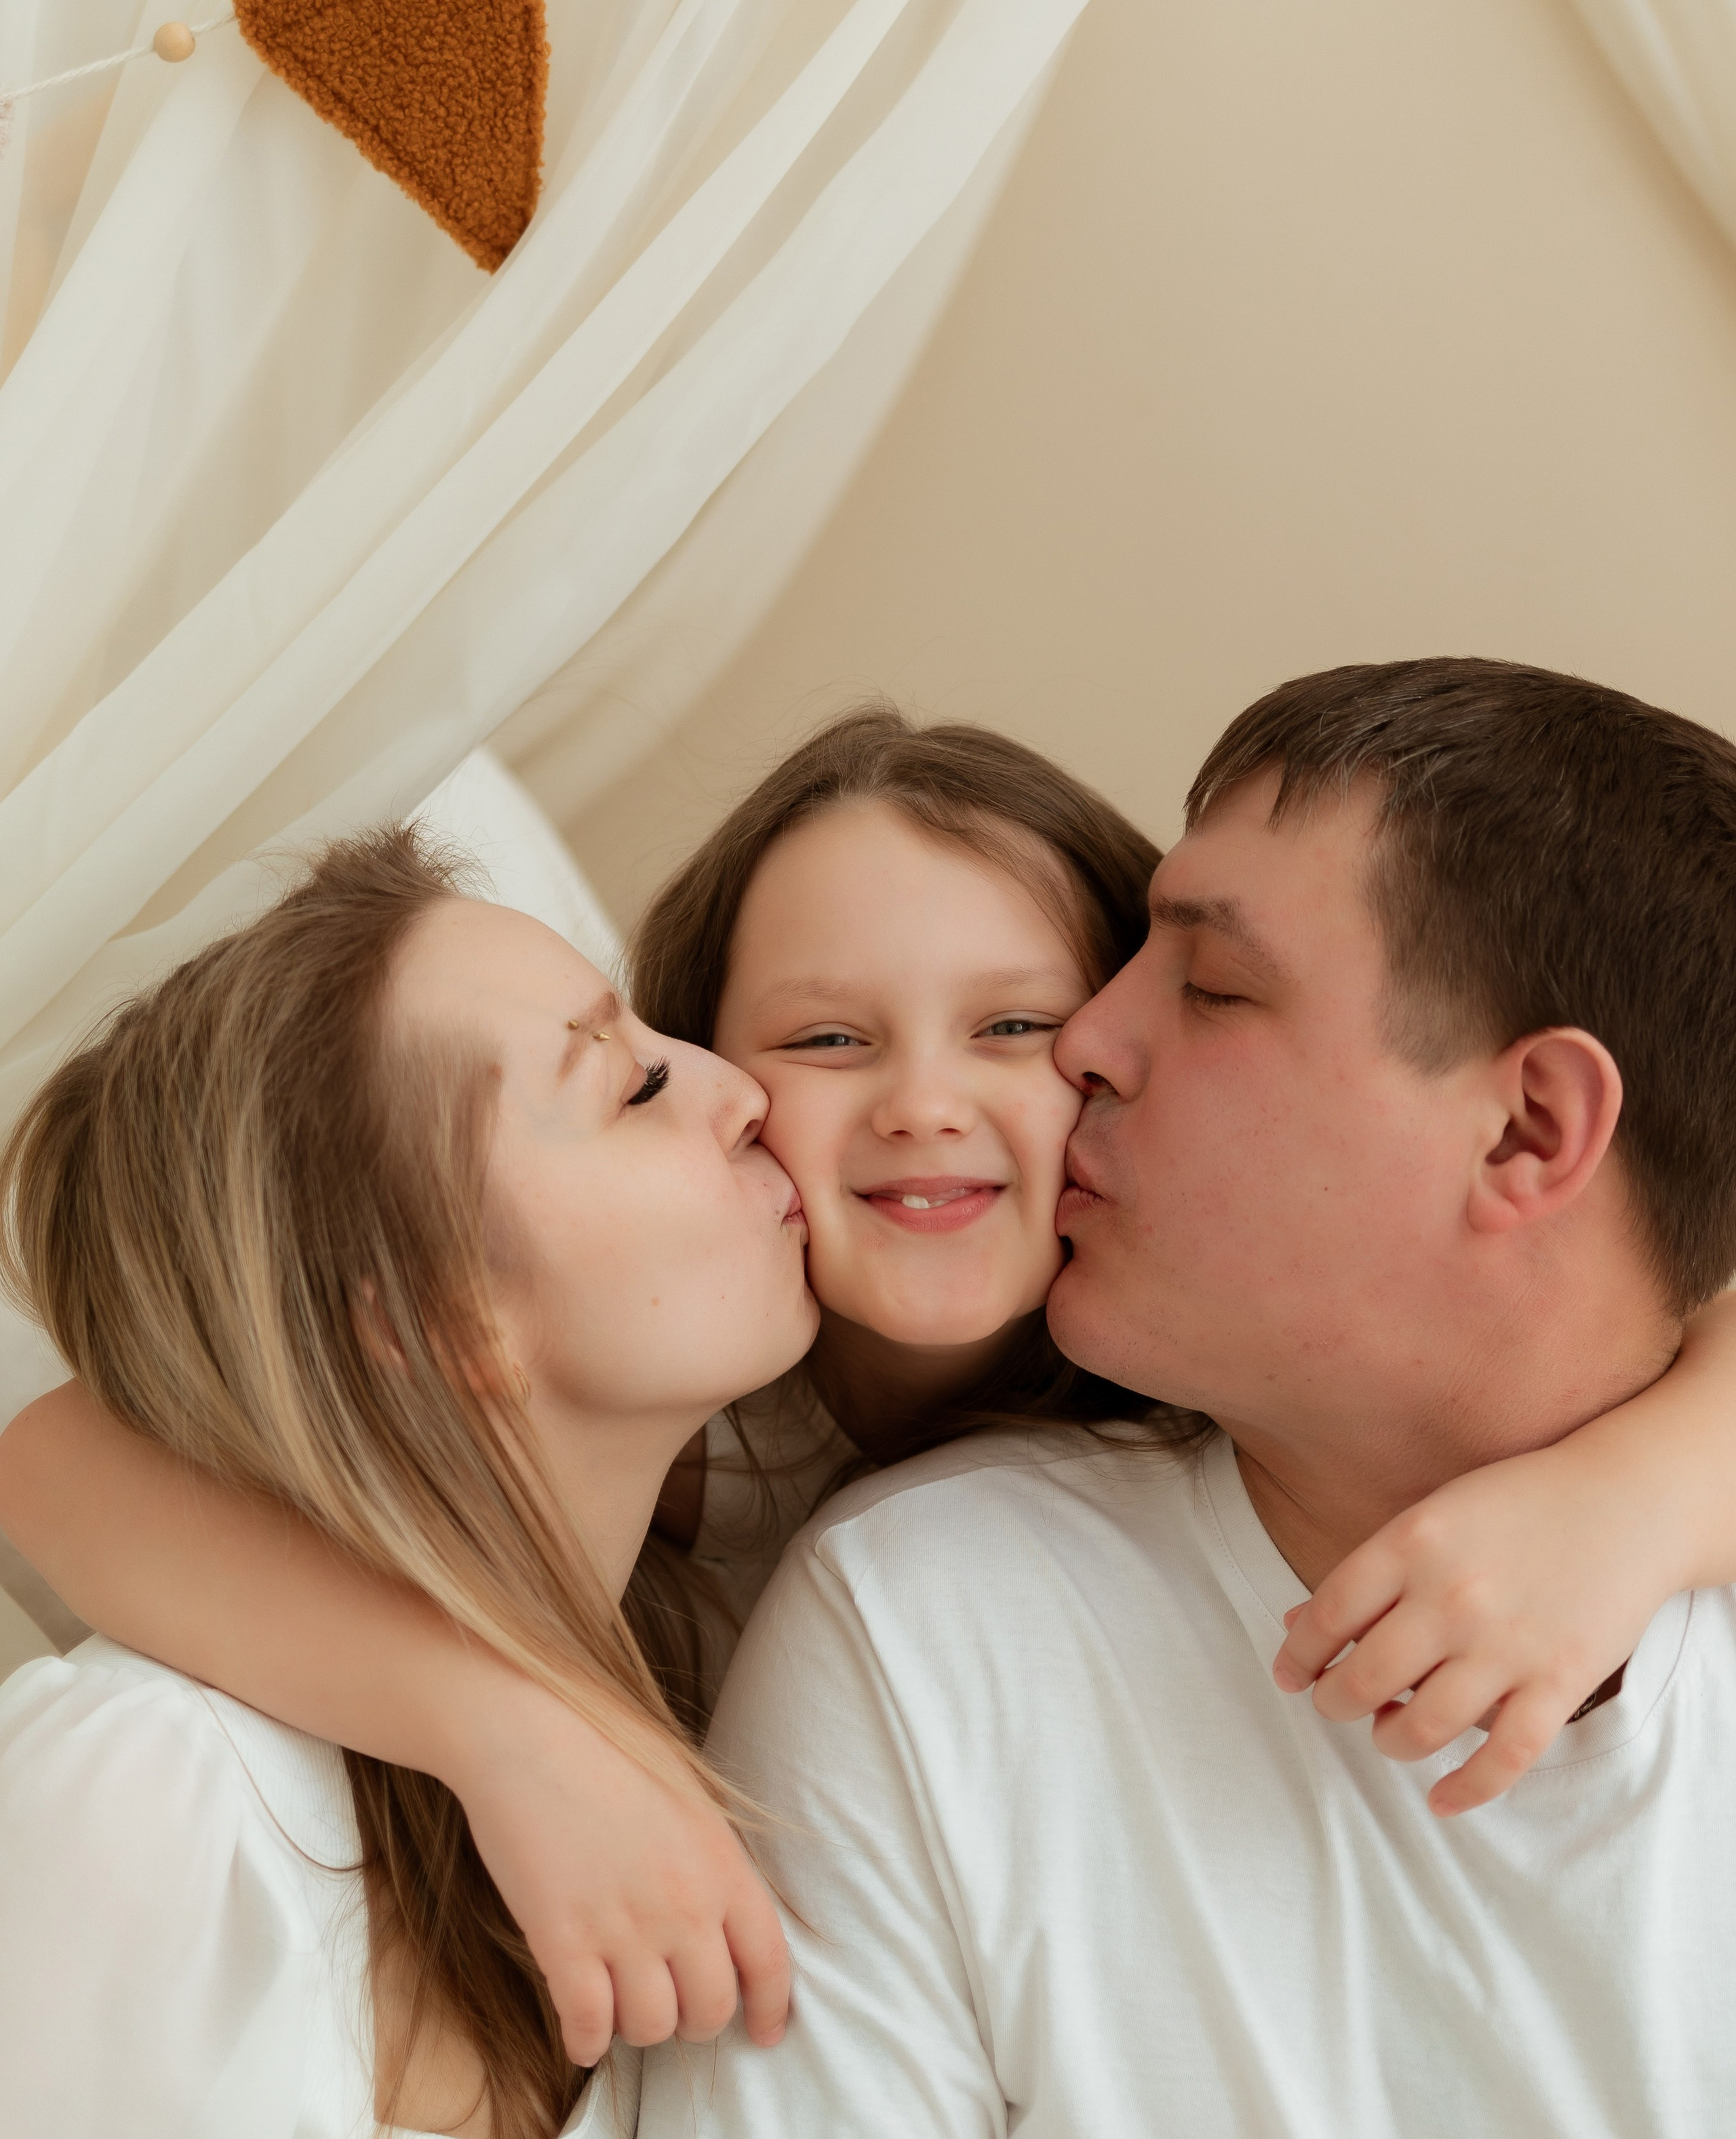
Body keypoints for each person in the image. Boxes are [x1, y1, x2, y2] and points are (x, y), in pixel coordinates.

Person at [5, 712, 1736, 2070]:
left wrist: (1638, 1492)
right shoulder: (682, 1439)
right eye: (824, 1041)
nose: (918, 1102)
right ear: (711, 1078)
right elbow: (45, 1460)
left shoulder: (1248, 1394)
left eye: (1014, 1029)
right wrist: (512, 1728)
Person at [604, 659, 1736, 2139]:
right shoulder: (924, 1625)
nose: (1084, 1052)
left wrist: (1638, 1496)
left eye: (1206, 986)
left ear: (1530, 1131)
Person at [0, 826, 814, 2139]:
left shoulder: (736, 1654)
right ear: (432, 1317)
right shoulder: (157, 1808)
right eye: (630, 1085)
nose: (736, 1087)